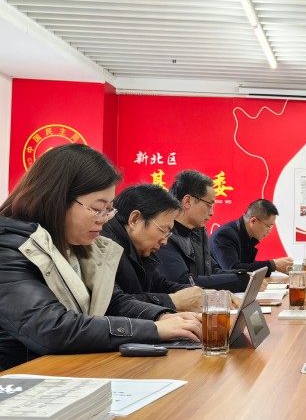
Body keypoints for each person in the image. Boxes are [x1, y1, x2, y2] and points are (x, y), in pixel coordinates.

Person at [0, 144, 201, 370]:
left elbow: (112, 302)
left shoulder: (77, 246)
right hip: (19, 379)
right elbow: (51, 328)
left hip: (69, 371)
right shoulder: (10, 246)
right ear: (57, 199)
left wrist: (162, 317)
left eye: (109, 210)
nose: (104, 219)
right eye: (97, 209)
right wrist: (153, 329)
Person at [100, 183, 203, 311]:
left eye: (168, 234)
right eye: (163, 230)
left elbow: (161, 285)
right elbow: (114, 304)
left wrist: (203, 295)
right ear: (135, 219)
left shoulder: (140, 251)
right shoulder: (104, 247)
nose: (165, 241)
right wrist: (173, 301)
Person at [157, 170, 250, 292]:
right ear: (188, 201)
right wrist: (240, 281)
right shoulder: (164, 236)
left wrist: (244, 275)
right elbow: (184, 282)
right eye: (209, 205)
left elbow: (212, 271)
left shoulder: (198, 233)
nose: (212, 213)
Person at [210, 199, 293, 275]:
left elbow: (248, 266)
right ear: (253, 221)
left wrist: (274, 266)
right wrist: (273, 265)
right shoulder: (224, 235)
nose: (269, 231)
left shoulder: (245, 235)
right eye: (269, 226)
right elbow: (233, 270)